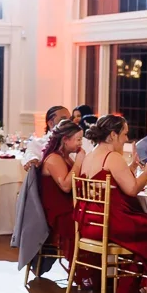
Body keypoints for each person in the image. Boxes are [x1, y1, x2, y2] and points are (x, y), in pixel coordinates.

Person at [74, 115, 147, 293]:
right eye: (125, 134)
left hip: (89, 221)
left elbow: (114, 181)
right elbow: (132, 189)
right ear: (113, 135)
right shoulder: (112, 157)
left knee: (146, 226)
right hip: (109, 222)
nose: (126, 139)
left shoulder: (92, 154)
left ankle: (131, 285)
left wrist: (133, 166)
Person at [38, 120, 85, 283]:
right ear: (65, 139)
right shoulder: (54, 158)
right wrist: (79, 162)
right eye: (78, 139)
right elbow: (66, 186)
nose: (80, 143)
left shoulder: (65, 157)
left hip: (67, 207)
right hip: (57, 212)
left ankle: (90, 271)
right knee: (87, 224)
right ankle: (84, 272)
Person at [23, 105, 71, 170]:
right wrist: (33, 160)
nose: (69, 123)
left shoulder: (80, 141)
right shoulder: (38, 143)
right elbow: (30, 154)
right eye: (63, 119)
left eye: (70, 119)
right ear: (51, 123)